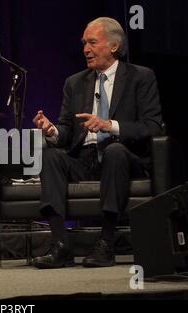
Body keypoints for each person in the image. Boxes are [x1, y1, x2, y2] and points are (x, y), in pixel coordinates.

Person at [32, 17, 163, 268]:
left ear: (113, 46)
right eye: (84, 43)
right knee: (50, 156)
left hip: (124, 156)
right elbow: (67, 130)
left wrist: (109, 125)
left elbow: (152, 126)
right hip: (85, 157)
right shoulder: (75, 82)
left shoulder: (141, 77)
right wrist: (52, 131)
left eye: (92, 42)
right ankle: (60, 245)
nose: (85, 49)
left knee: (114, 151)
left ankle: (106, 242)